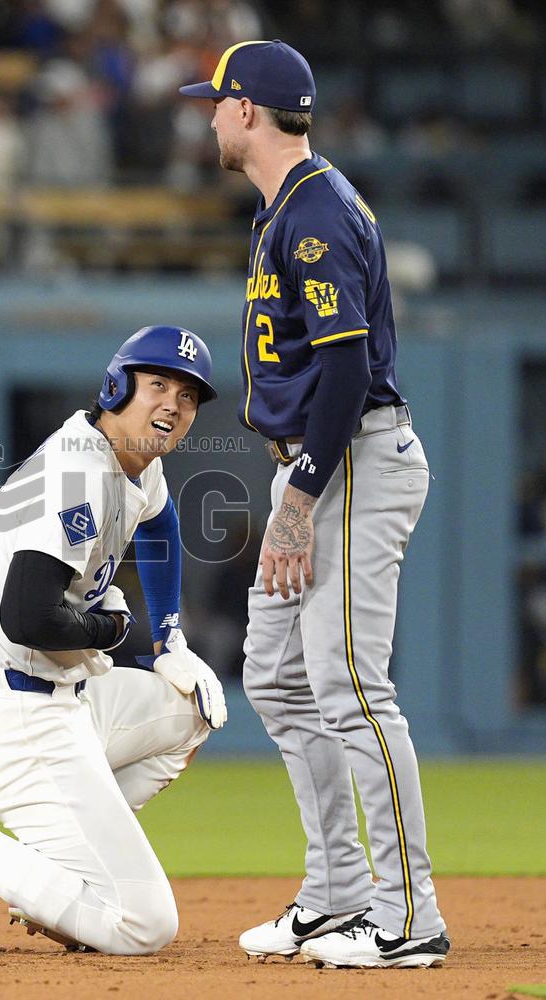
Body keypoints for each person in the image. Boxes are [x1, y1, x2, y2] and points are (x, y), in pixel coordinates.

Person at [180, 41, 450, 969]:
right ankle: (337, 895)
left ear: (248, 111)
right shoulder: (282, 211)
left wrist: (296, 498)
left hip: (351, 463)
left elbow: (343, 371)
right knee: (279, 672)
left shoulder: (313, 216)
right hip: (316, 465)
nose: (208, 116)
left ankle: (408, 914)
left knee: (347, 682)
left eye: (215, 103)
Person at [0, 325, 227, 956]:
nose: (173, 405)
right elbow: (28, 618)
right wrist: (118, 630)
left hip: (64, 699)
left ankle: (59, 885)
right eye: (157, 385)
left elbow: (160, 526)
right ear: (117, 388)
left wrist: (170, 638)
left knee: (194, 709)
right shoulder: (78, 469)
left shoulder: (132, 461)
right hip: (11, 715)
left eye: (188, 395)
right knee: (144, 927)